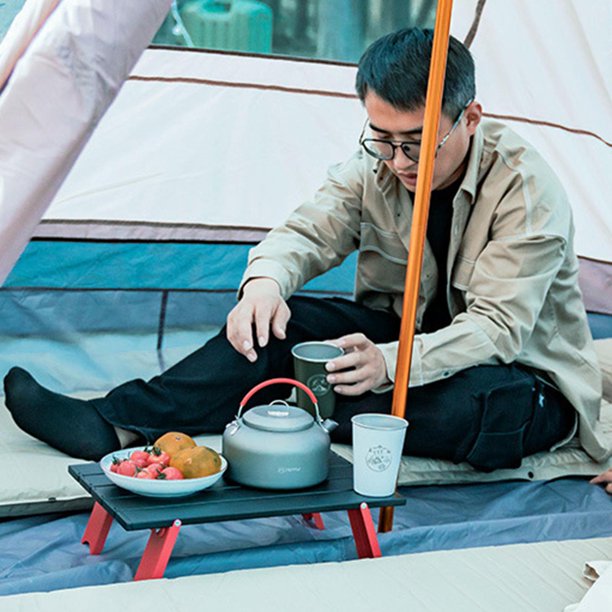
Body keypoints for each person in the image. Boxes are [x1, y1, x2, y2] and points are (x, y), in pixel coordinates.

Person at [3, 28, 608, 469]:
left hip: (516, 373)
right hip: (400, 335)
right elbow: (305, 232)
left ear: (470, 117)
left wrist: (392, 363)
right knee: (282, 326)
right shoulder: (374, 165)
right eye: (383, 140)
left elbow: (498, 329)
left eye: (417, 144)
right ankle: (115, 422)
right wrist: (264, 284)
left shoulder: (528, 191)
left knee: (471, 410)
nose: (399, 163)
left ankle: (303, 402)